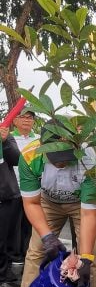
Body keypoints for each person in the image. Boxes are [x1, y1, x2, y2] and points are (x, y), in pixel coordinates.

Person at [4, 118, 96, 287]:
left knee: (90, 257)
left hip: (82, 205)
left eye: (65, 157)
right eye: (55, 158)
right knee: (36, 251)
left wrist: (84, 258)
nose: (61, 163)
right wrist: (48, 237)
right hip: (47, 203)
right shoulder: (30, 156)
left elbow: (88, 213)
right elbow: (31, 203)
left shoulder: (91, 157)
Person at [9, 109, 39, 264]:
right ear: (14, 121)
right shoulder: (7, 138)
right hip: (13, 189)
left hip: (33, 190)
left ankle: (29, 255)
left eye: (30, 117)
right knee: (14, 225)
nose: (27, 120)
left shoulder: (39, 140)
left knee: (30, 225)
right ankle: (14, 257)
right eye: (23, 117)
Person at [0, 126, 20, 287]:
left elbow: (16, 159)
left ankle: (5, 275)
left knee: (6, 240)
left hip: (6, 196)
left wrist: (5, 141)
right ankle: (3, 278)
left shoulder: (6, 134)